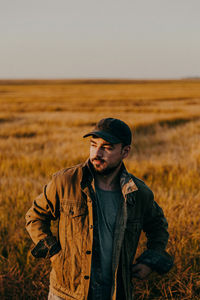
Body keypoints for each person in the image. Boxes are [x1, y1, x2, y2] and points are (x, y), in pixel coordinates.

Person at [25, 118, 173, 300]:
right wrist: (54, 254)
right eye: (93, 145)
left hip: (116, 293)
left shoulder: (138, 193)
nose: (97, 153)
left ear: (125, 151)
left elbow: (158, 227)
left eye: (107, 147)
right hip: (67, 293)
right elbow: (35, 216)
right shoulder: (66, 182)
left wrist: (150, 261)